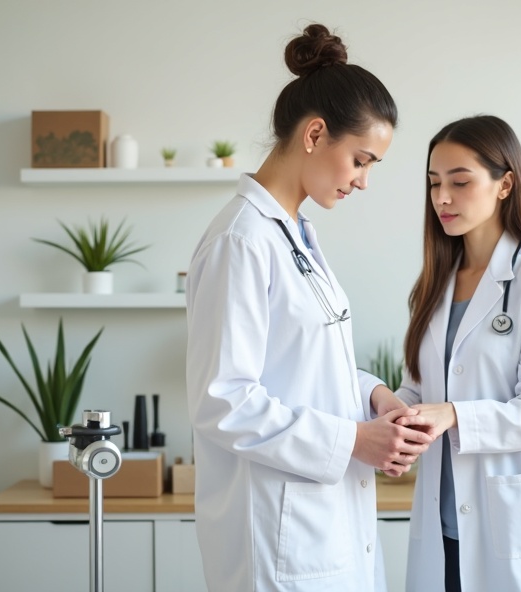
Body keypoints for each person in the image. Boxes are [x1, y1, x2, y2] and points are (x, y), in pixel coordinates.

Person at [185, 24, 433, 592]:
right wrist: (353, 439)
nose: (365, 181)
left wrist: (375, 396)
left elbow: (304, 365)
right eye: (361, 160)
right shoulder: (241, 241)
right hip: (277, 538)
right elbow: (224, 400)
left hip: (321, 525)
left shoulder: (293, 233)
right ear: (316, 133)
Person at [392, 115, 521, 591]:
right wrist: (391, 416)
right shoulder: (434, 283)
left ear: (505, 185)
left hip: (514, 525)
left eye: (460, 182)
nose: (442, 197)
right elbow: (419, 387)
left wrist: (454, 415)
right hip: (444, 529)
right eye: (434, 183)